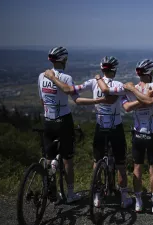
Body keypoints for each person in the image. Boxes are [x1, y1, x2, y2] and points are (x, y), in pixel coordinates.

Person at [44, 56, 133, 209]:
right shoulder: (120, 85)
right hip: (115, 128)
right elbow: (114, 97)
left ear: (102, 69)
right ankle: (124, 197)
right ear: (115, 70)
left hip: (100, 127)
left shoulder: (92, 83)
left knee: (96, 161)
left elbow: (73, 91)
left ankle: (97, 196)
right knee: (120, 163)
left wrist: (54, 81)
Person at [99, 59, 153, 214]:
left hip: (137, 134)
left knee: (137, 168)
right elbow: (148, 101)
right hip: (152, 134)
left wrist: (134, 91)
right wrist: (147, 97)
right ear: (151, 73)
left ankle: (138, 203)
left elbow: (127, 107)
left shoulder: (129, 89)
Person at [39, 46, 103, 203]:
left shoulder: (41, 76)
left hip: (48, 120)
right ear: (64, 60)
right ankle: (70, 194)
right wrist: (97, 101)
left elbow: (42, 100)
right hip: (63, 121)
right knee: (68, 159)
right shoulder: (66, 78)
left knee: (49, 156)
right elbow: (76, 99)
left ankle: (51, 190)